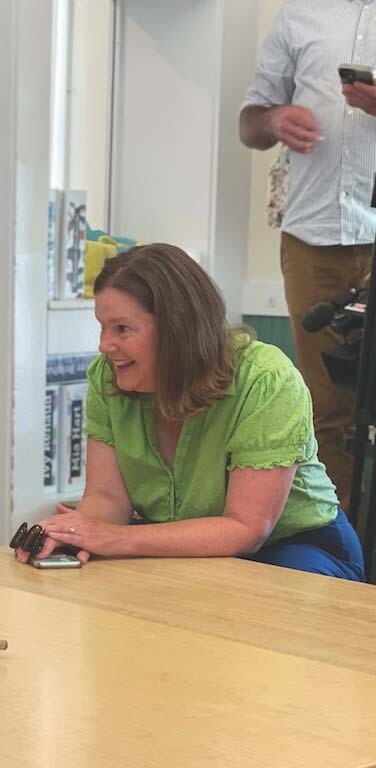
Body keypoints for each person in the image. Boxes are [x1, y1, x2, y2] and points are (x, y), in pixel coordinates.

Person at [16, 244, 365, 581]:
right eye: (102, 327)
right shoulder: (106, 377)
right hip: (177, 544)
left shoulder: (266, 379)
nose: (104, 345)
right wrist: (74, 534)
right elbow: (107, 499)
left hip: (294, 546)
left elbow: (246, 529)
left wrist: (113, 538)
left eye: (122, 328)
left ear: (177, 329)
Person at [238, 1, 376, 511]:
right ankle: (333, 549)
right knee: (326, 408)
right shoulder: (299, 14)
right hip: (312, 235)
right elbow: (249, 123)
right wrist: (275, 118)